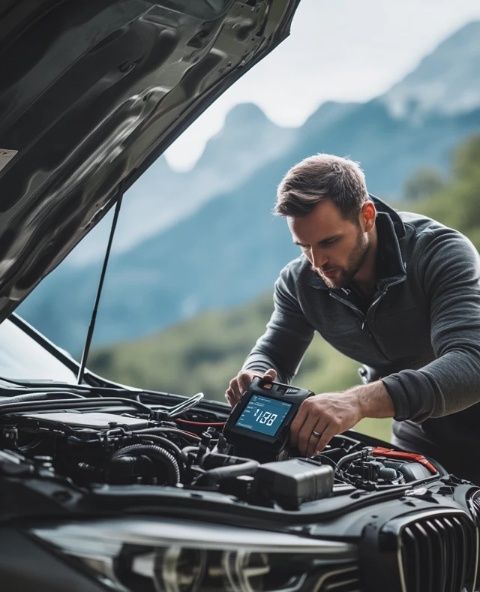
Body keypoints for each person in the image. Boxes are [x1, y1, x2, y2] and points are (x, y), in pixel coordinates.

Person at [225, 153, 480, 484]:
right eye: (304, 247)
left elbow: (472, 362)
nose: (318, 262)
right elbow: (274, 351)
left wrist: (357, 401)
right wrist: (255, 374)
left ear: (367, 216)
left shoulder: (439, 253)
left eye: (330, 242)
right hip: (419, 438)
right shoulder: (299, 283)